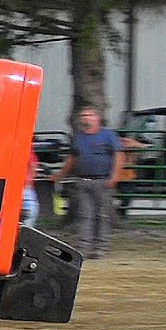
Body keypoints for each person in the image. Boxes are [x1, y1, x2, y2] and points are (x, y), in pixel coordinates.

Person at [51, 106, 125, 259]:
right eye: (83, 115)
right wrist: (60, 175)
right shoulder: (79, 137)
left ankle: (101, 246)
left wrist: (115, 177)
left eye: (89, 115)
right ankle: (84, 246)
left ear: (97, 117)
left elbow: (119, 156)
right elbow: (72, 158)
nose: (85, 118)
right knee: (85, 214)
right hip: (83, 181)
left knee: (102, 215)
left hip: (102, 180)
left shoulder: (108, 135)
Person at [22, 146, 39, 228]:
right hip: (25, 186)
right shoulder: (25, 148)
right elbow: (33, 165)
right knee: (30, 211)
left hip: (21, 185)